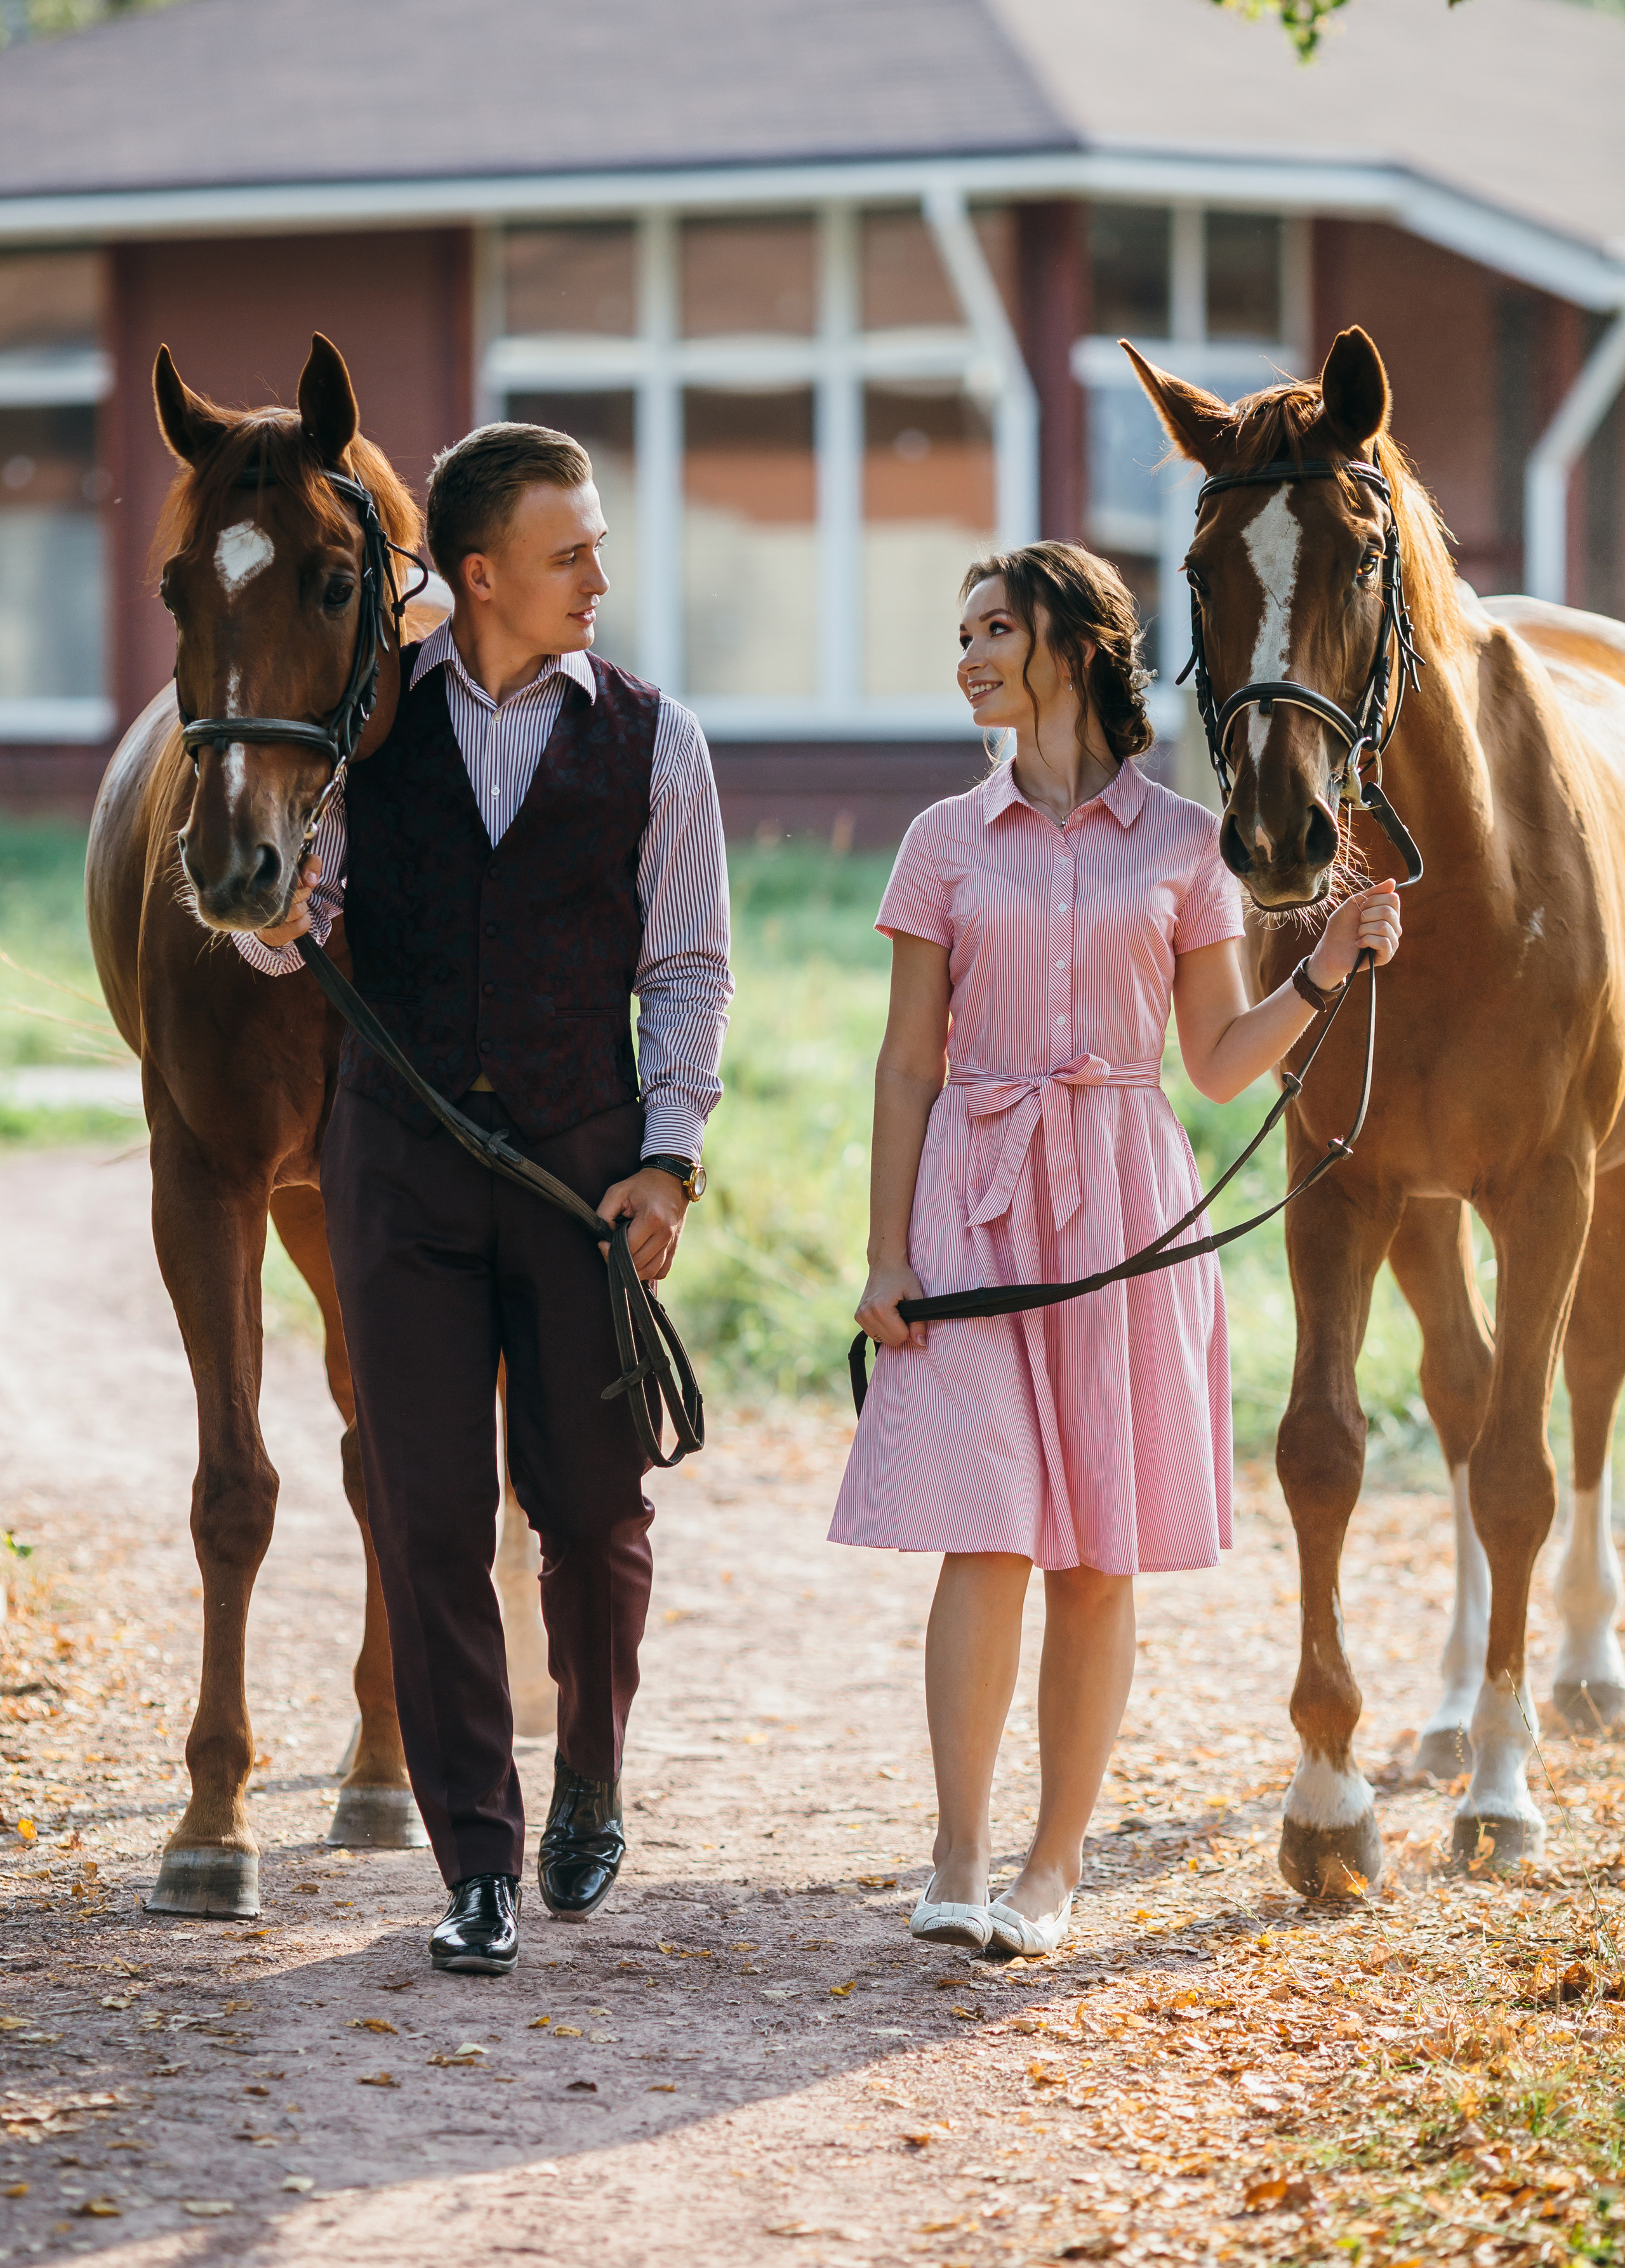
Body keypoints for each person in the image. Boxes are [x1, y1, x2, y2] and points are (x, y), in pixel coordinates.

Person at [830, 541, 1400, 1958]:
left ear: (1072, 646)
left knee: (1093, 1557)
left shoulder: (1180, 844)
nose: (965, 655)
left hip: (1128, 1208)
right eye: (957, 630)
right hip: (974, 1196)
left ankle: (1050, 1869)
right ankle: (955, 1857)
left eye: (991, 628)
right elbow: (907, 1063)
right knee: (985, 1531)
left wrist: (1321, 970)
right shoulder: (941, 842)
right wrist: (884, 1252)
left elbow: (1212, 1064)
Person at [239, 422, 732, 1974]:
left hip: (583, 1182)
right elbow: (279, 936)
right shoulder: (365, 728)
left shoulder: (657, 738)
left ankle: (588, 1768)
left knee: (591, 1512)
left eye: (595, 545)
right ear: (476, 576)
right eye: (569, 550)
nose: (600, 575)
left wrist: (668, 1156)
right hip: (397, 1172)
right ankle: (477, 1861)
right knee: (427, 1515)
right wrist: (275, 899)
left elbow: (688, 967)